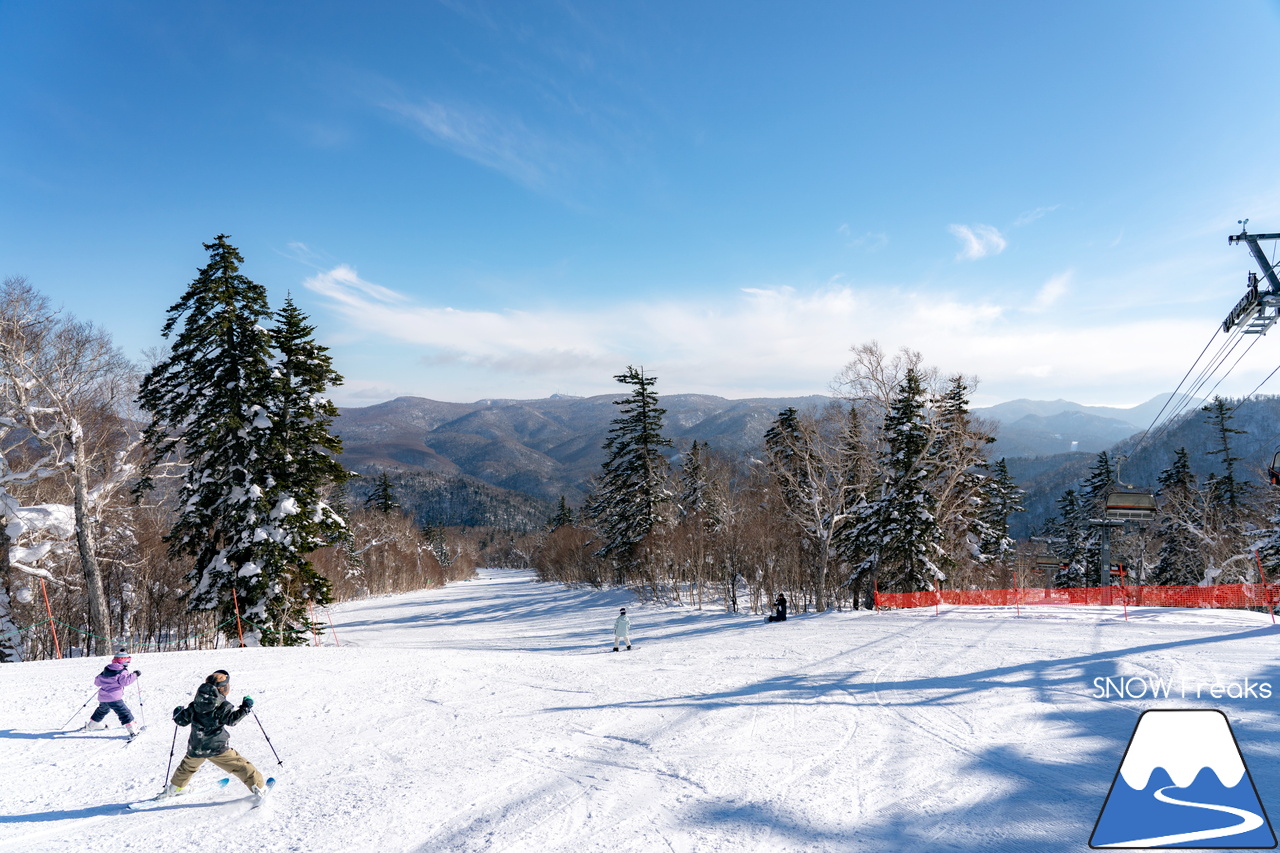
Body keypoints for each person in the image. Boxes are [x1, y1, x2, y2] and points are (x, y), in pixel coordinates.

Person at [160, 670, 267, 801]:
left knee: (187, 767)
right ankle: (259, 788)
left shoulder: (195, 704)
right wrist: (246, 707)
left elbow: (181, 721)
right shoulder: (222, 705)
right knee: (240, 766)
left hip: (196, 745)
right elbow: (232, 720)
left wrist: (177, 713)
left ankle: (175, 788)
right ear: (223, 688)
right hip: (216, 747)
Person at [82, 649, 141, 735]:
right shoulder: (122, 671)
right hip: (114, 698)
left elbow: (97, 682)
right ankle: (133, 730)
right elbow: (125, 682)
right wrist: (135, 675)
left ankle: (92, 725)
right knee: (123, 712)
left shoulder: (106, 670)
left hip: (103, 697)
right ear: (125, 661)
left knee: (102, 710)